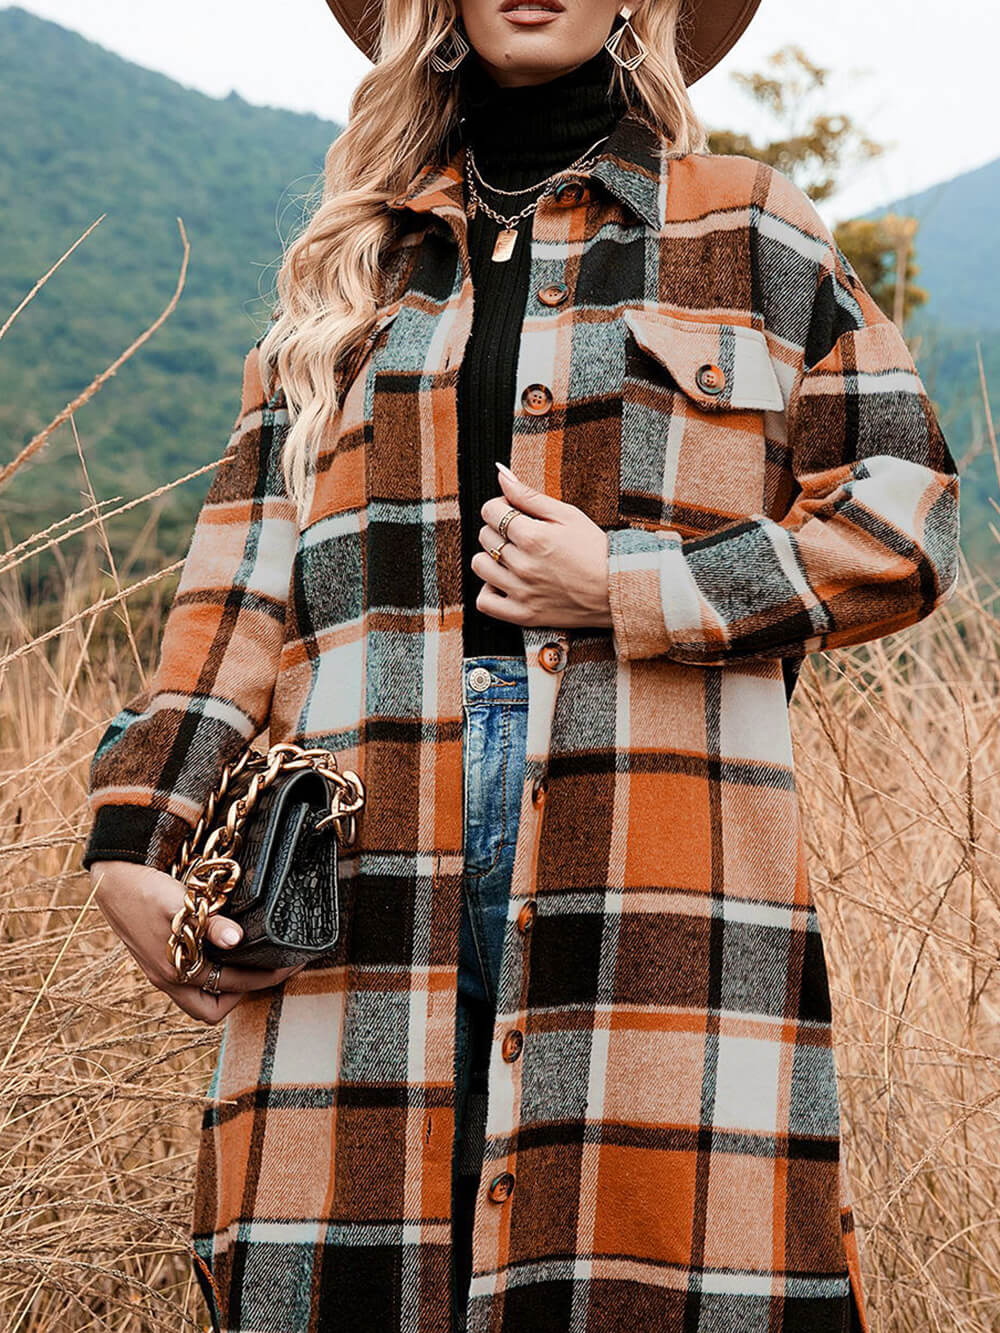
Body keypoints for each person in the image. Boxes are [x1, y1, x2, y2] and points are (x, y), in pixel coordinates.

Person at [81, 2, 960, 1330]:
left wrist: (631, 584)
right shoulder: (354, 270)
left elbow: (906, 516)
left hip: (653, 849)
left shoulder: (747, 229)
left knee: (643, 1271)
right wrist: (132, 833)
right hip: (364, 859)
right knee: (349, 1267)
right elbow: (240, 585)